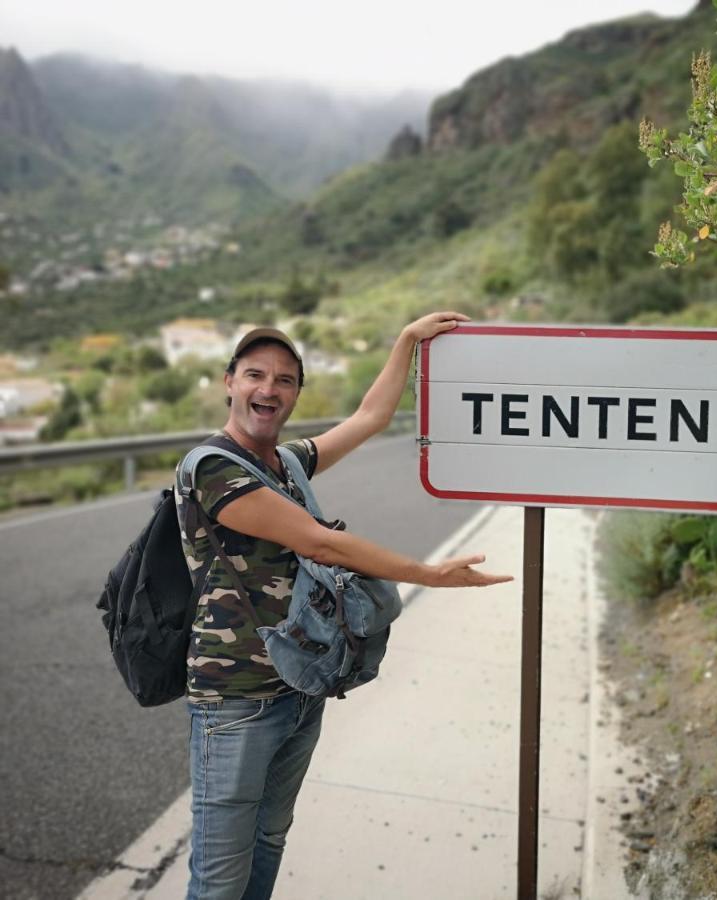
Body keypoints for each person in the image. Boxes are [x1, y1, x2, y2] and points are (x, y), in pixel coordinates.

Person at [174, 311, 510, 899]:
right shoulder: (214, 469)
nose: (268, 389)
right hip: (235, 699)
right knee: (220, 877)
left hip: (300, 688)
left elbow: (369, 417)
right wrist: (427, 574)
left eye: (284, 380)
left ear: (296, 393)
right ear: (229, 382)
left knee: (268, 846)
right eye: (255, 374)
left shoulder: (287, 463)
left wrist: (406, 338)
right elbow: (319, 541)